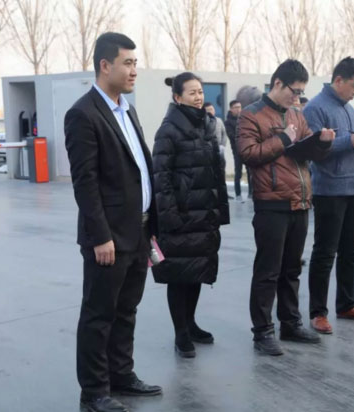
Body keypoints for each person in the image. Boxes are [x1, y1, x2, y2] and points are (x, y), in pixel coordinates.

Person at [64, 32, 161, 412]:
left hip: (138, 231)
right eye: (128, 63)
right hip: (108, 238)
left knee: (126, 310)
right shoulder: (83, 114)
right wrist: (100, 236)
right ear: (105, 66)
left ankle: (121, 375)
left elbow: (138, 170)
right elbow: (85, 184)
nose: (134, 70)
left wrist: (151, 226)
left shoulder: (127, 110)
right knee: (99, 315)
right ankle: (94, 392)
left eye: (136, 63)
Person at [238, 59, 335, 355]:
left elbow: (307, 152)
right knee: (268, 271)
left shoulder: (296, 114)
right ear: (278, 83)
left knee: (292, 268)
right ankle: (263, 331)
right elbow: (248, 154)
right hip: (271, 203)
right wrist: (283, 138)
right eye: (295, 91)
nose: (297, 98)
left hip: (300, 201)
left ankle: (290, 323)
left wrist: (322, 143)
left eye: (301, 93)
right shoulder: (251, 115)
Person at [152, 73, 230, 358]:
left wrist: (219, 210)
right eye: (192, 93)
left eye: (200, 92)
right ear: (177, 97)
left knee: (196, 272)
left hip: (203, 213)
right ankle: (180, 333)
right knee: (178, 275)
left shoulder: (209, 125)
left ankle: (191, 323)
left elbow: (217, 172)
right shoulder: (168, 130)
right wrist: (170, 217)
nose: (198, 97)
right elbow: (160, 178)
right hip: (181, 215)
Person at [302, 57, 354, 335]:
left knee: (351, 251)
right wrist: (349, 141)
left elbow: (347, 143)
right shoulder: (316, 107)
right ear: (338, 80)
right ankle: (318, 312)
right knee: (325, 253)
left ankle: (346, 303)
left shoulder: (347, 107)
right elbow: (313, 149)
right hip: (329, 190)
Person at [224, 99, 244, 201]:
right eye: (236, 107)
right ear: (231, 109)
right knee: (238, 172)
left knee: (250, 172)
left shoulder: (245, 119)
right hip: (237, 150)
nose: (238, 109)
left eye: (239, 107)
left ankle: (251, 193)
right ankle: (238, 193)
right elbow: (232, 135)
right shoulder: (228, 122)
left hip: (247, 148)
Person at [203, 101, 228, 171]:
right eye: (208, 110)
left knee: (221, 166)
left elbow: (224, 134)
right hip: (208, 150)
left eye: (211, 109)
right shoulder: (203, 122)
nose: (210, 111)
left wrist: (222, 146)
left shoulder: (219, 120)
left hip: (219, 149)